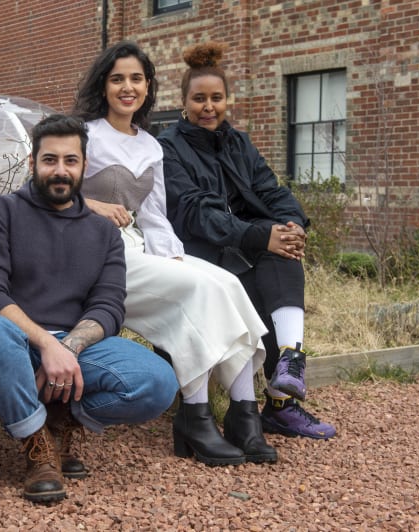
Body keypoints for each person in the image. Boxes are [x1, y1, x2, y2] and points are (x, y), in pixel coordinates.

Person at [0, 114, 179, 503]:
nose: (60, 170)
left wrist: (68, 348)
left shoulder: (105, 232)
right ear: (32, 163)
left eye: (70, 160)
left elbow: (109, 307)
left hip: (76, 350)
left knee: (158, 382)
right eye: (50, 160)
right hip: (10, 346)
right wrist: (47, 346)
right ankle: (38, 444)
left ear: (84, 165)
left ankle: (57, 422)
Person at [73, 41, 277, 467]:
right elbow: (45, 190)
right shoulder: (84, 135)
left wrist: (175, 256)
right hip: (94, 254)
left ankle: (244, 415)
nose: (127, 87)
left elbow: (154, 215)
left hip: (140, 248)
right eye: (117, 79)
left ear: (148, 86)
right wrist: (92, 205)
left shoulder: (151, 145)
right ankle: (195, 418)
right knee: (195, 291)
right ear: (103, 85)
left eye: (136, 79)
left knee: (225, 283)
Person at [158, 42, 336, 440]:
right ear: (183, 102)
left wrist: (292, 225)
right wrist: (261, 236)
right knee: (259, 277)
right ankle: (271, 402)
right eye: (199, 99)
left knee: (284, 254)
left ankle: (286, 381)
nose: (208, 107)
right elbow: (195, 212)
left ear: (227, 100)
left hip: (241, 248)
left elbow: (271, 190)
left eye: (216, 98)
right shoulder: (169, 148)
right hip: (198, 254)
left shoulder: (238, 143)